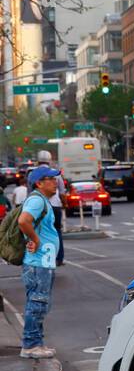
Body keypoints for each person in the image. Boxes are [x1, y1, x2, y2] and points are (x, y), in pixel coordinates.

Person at [17, 166, 61, 359]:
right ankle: (30, 345)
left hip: (43, 262)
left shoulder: (41, 200)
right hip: (39, 263)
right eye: (50, 179)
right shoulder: (36, 200)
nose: (55, 182)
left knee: (39, 303)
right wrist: (35, 240)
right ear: (39, 183)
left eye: (55, 178)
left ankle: (37, 343)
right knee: (37, 303)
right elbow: (23, 221)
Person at [34, 151, 65, 265]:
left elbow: (29, 193)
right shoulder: (56, 174)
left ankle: (43, 258)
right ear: (49, 160)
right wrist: (65, 204)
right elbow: (62, 192)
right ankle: (59, 258)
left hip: (38, 207)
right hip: (55, 206)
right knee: (57, 231)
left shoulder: (32, 174)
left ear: (38, 161)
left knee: (39, 232)